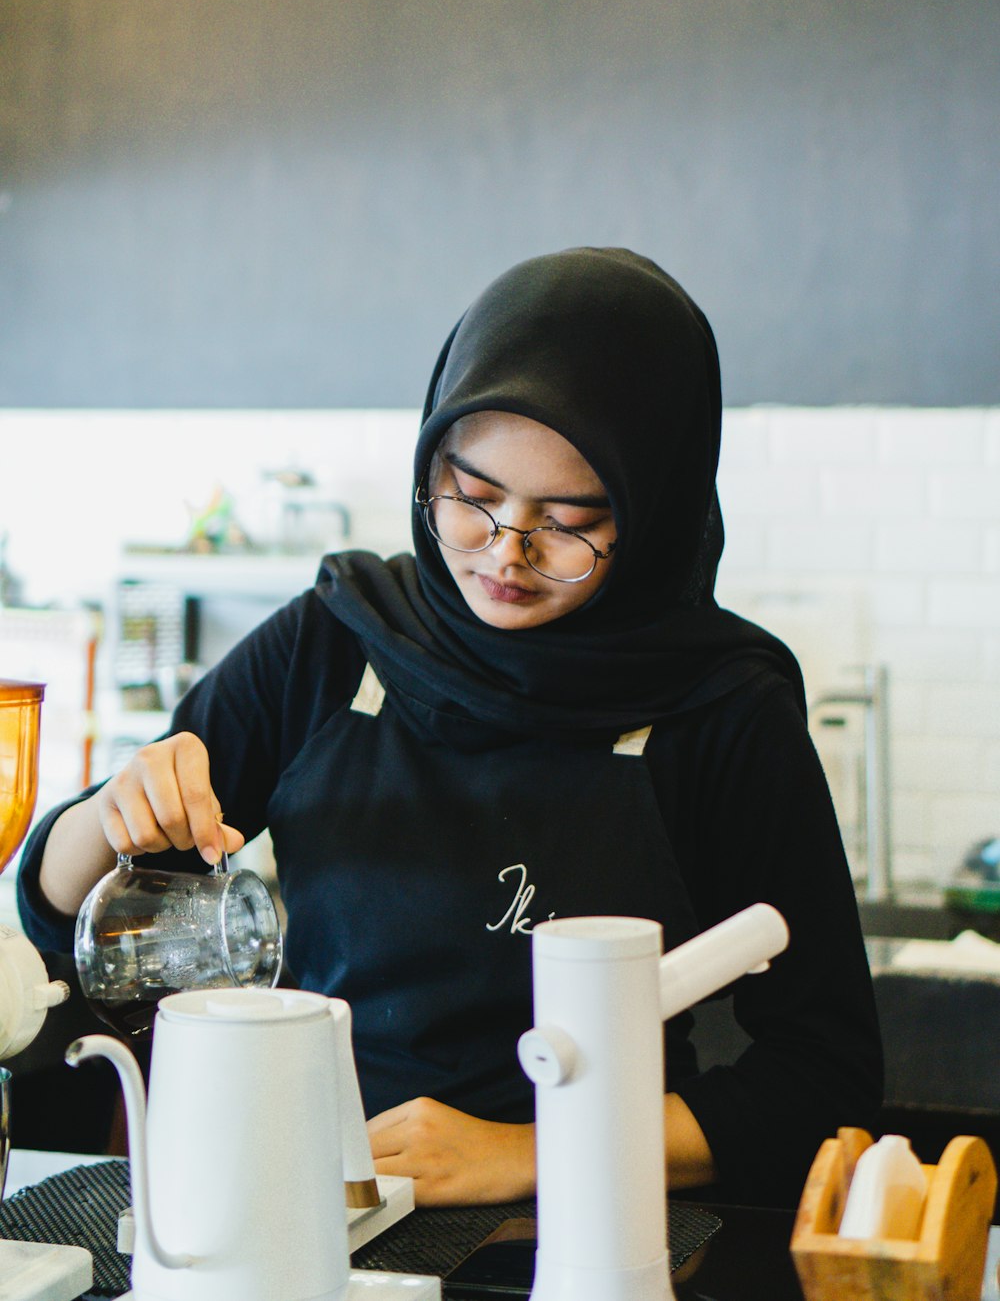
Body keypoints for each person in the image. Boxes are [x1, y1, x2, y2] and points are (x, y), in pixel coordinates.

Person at [18, 247, 882, 1207]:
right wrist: (112, 815)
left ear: (656, 512)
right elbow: (63, 914)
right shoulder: (338, 638)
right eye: (470, 497)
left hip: (589, 1228)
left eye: (568, 521)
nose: (504, 555)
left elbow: (824, 1077)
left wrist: (530, 1152)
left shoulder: (721, 708)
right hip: (313, 1205)